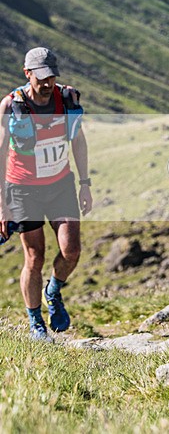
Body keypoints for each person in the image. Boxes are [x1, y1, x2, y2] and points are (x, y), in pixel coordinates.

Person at [0, 47, 92, 342]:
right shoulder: (11, 105)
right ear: (27, 74)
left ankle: (53, 292)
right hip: (23, 189)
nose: (47, 82)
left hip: (60, 184)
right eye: (41, 77)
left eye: (51, 76)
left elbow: (78, 141)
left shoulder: (67, 99)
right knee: (34, 256)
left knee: (71, 250)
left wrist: (85, 183)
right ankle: (35, 321)